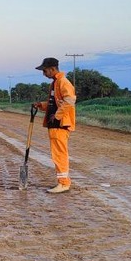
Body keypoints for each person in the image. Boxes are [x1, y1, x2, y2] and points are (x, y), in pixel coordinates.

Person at [34, 57, 76, 193]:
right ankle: (63, 182)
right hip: (54, 125)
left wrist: (57, 116)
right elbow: (55, 103)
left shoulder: (63, 82)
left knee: (59, 154)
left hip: (60, 124)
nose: (43, 74)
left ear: (52, 69)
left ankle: (63, 183)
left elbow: (70, 101)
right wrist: (41, 105)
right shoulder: (55, 83)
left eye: (45, 71)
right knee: (57, 154)